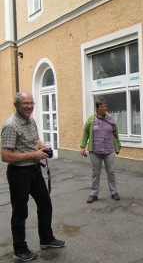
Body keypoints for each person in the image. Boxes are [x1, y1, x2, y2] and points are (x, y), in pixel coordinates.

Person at [1, 92, 65, 262]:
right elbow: (6, 156)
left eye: (31, 103)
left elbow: (35, 140)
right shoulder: (11, 125)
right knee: (20, 212)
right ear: (17, 105)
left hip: (34, 170)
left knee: (45, 204)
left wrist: (44, 147)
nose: (29, 106)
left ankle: (46, 239)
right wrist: (33, 154)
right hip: (19, 174)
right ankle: (20, 249)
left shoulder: (31, 121)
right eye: (25, 103)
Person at [80, 98, 121, 203]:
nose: (104, 109)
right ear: (97, 108)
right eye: (101, 107)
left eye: (105, 107)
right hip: (95, 151)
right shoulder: (91, 119)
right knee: (95, 172)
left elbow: (115, 133)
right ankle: (93, 194)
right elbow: (85, 133)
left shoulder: (111, 119)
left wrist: (118, 146)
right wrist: (83, 146)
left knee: (111, 171)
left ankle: (114, 192)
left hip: (109, 149)